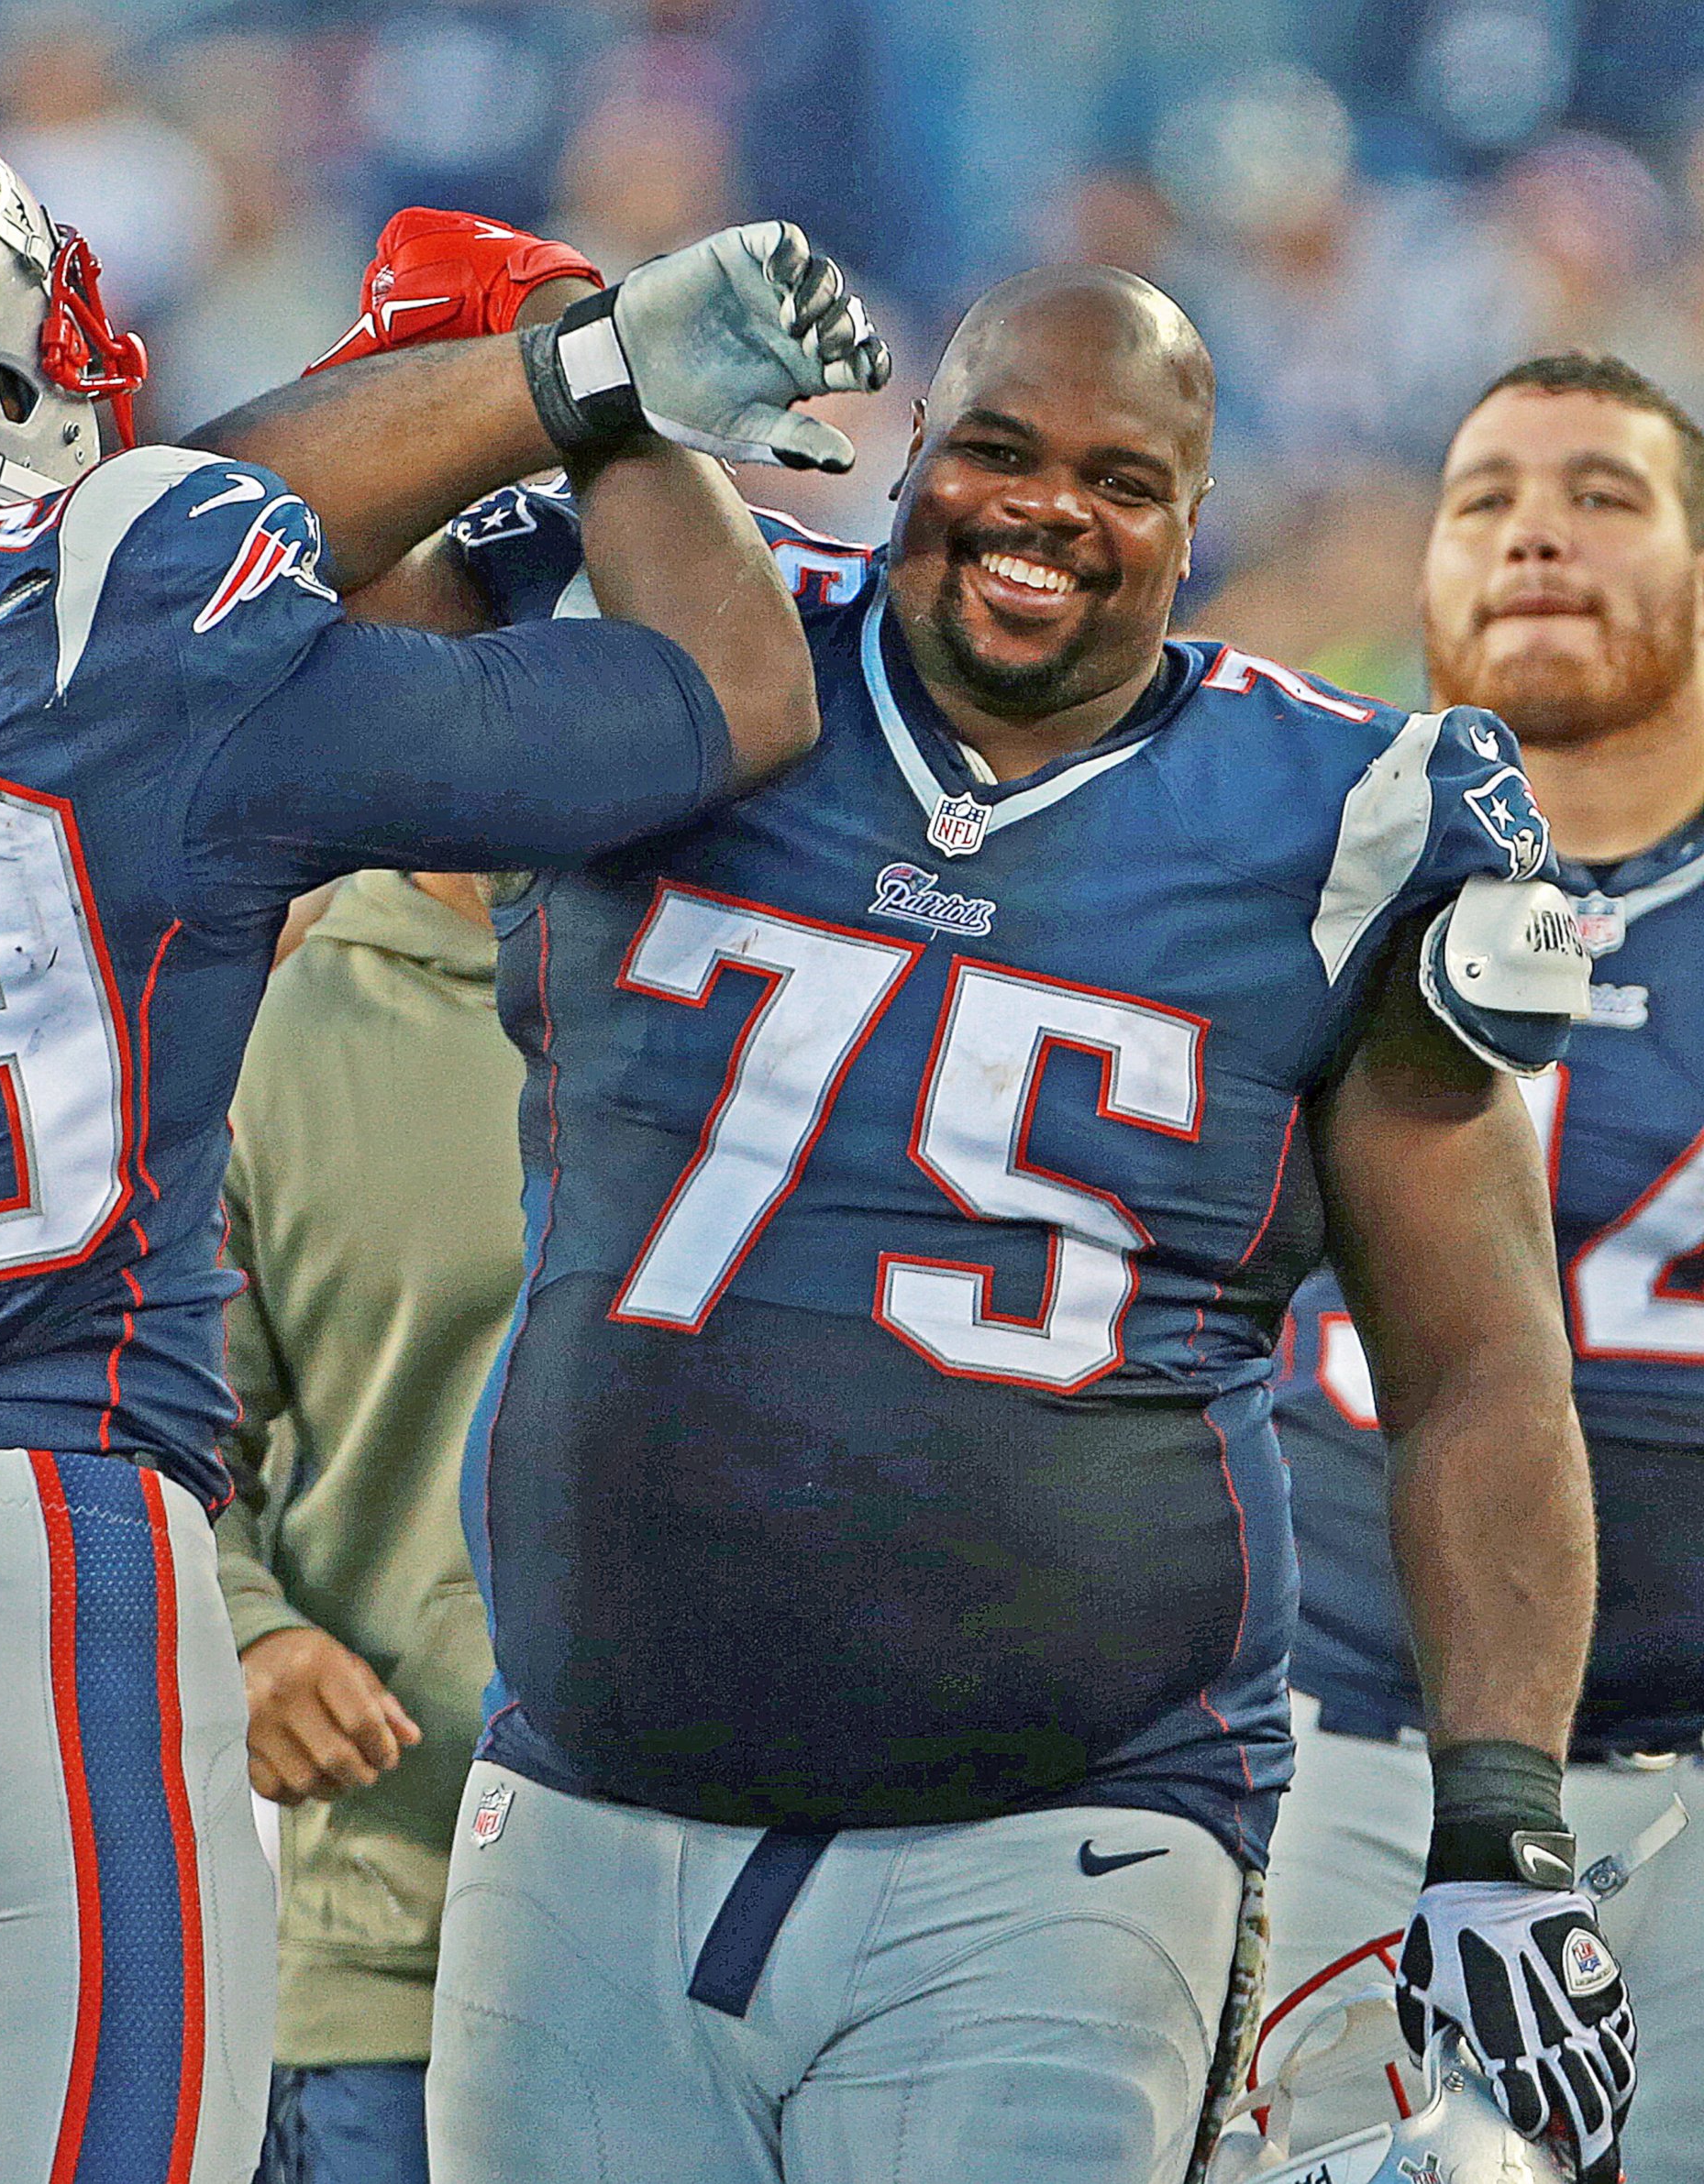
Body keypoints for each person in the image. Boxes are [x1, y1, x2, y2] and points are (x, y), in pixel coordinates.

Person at [0, 107, 888, 2184]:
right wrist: (584, 375)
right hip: (13, 1540)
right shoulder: (125, 612)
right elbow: (732, 693)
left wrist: (552, 365)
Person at [348, 263, 1622, 2184]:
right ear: (908, 451)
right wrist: (557, 375)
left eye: (1125, 481)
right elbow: (274, 596)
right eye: (1002, 452)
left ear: (1200, 526)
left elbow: (1477, 1364)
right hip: (581, 1800)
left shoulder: (1339, 814)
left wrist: (1504, 1818)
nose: (1050, 512)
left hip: (1065, 1835)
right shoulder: (699, 632)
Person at [1268, 350, 1704, 2178]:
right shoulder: (1288, 870)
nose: (1539, 530)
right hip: (1346, 1754)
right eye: (1486, 499)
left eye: (1606, 494)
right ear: (1422, 572)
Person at [218, 869, 519, 2184]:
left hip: (748, 1930)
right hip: (398, 1951)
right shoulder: (278, 1031)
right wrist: (249, 1634)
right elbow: (166, 1429)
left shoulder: (775, 975)